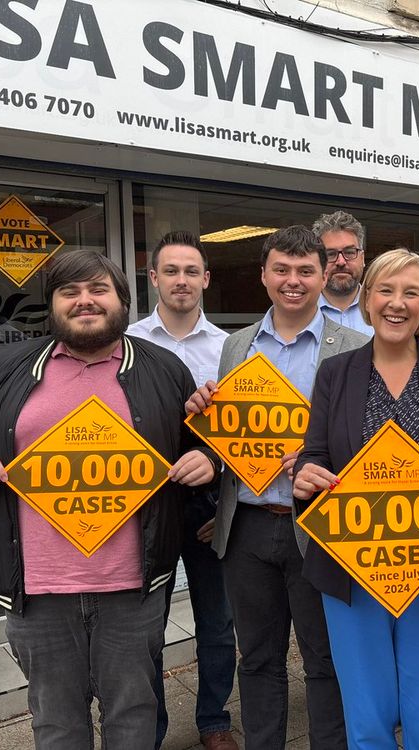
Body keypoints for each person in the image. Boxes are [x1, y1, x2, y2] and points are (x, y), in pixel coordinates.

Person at [0, 250, 218, 749]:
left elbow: (196, 444)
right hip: (37, 590)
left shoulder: (164, 368)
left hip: (132, 585)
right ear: (53, 305)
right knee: (56, 722)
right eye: (70, 292)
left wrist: (208, 461)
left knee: (134, 715)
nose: (85, 301)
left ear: (122, 301)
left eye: (98, 290)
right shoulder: (2, 369)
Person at [292, 248, 419, 749]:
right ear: (365, 299)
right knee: (367, 717)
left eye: (411, 293)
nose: (396, 303)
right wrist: (307, 476)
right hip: (352, 566)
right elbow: (314, 456)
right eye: (385, 290)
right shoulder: (336, 372)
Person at [187, 226, 367, 750]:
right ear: (264, 275)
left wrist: (322, 455)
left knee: (325, 659)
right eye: (282, 270)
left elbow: (371, 440)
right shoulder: (236, 346)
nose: (294, 281)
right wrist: (205, 416)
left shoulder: (355, 347)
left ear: (323, 274)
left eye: (305, 270)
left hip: (319, 527)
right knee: (258, 657)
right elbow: (229, 439)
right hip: (245, 526)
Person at [127, 231, 237, 750]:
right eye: (170, 271)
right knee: (147, 624)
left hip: (209, 499)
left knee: (217, 621)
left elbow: (244, 437)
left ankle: (214, 720)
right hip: (147, 502)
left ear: (206, 280)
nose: (181, 281)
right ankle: (151, 729)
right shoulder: (126, 343)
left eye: (192, 272)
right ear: (153, 278)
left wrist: (224, 485)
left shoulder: (229, 350)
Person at [312, 210, 374, 335]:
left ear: (362, 258)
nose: (341, 262)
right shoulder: (300, 313)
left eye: (350, 252)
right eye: (330, 254)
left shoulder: (383, 310)